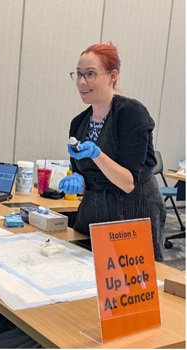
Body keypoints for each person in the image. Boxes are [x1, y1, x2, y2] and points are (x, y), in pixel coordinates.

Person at [59, 42, 166, 262]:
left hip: (133, 211)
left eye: (90, 74)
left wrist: (97, 154)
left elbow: (127, 182)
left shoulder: (132, 114)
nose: (81, 82)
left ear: (112, 76)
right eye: (78, 74)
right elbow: (83, 174)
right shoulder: (79, 123)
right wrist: (78, 181)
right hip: (94, 212)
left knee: (130, 286)